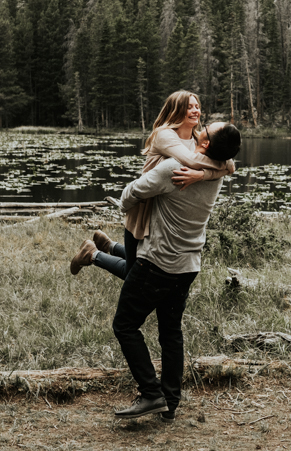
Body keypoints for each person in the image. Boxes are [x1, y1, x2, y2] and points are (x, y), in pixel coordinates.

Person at [110, 121, 242, 421]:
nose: (203, 122)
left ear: (205, 142)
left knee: (125, 326)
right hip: (188, 265)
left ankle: (151, 393)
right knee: (170, 332)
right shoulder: (217, 167)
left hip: (157, 262)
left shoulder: (174, 169)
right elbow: (229, 163)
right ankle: (170, 402)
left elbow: (129, 195)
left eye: (208, 126)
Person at [70, 90, 235, 278]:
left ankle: (109, 245)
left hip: (166, 208)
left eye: (197, 106)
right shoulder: (165, 135)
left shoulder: (198, 138)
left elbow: (230, 164)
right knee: (134, 272)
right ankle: (91, 254)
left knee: (145, 261)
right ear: (176, 110)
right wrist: (207, 171)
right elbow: (193, 160)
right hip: (144, 205)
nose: (195, 110)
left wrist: (202, 175)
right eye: (189, 107)